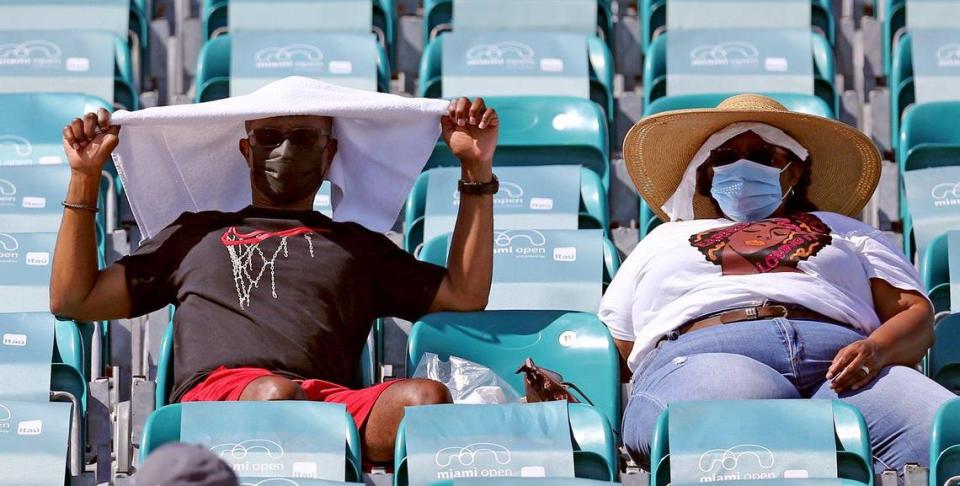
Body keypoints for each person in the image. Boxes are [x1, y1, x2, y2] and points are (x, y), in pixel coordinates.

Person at [50, 97, 499, 463]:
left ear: (330, 153)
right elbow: (75, 299)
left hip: (329, 406)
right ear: (246, 150)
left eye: (304, 139)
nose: (286, 151)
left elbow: (464, 294)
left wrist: (476, 169)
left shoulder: (359, 247)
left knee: (426, 400)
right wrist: (85, 178)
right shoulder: (195, 235)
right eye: (269, 137)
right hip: (218, 400)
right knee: (274, 394)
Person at [602, 94, 954, 474]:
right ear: (706, 174)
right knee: (735, 441)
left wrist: (876, 351)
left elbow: (915, 315)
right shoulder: (663, 240)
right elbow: (618, 349)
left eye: (762, 155)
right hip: (709, 355)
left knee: (943, 433)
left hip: (845, 365)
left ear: (795, 170)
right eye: (724, 156)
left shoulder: (849, 231)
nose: (742, 166)